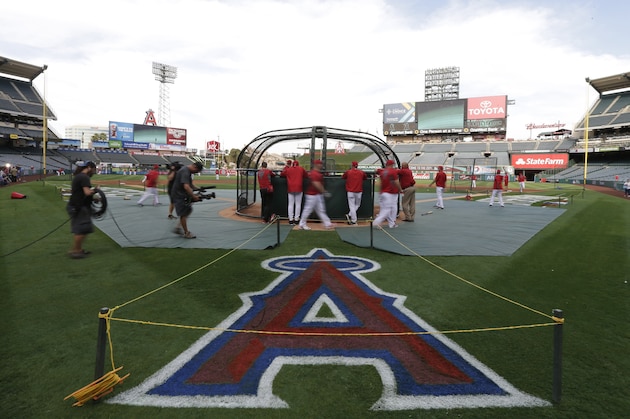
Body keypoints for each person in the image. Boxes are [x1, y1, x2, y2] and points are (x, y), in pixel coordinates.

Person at [66, 161, 98, 259]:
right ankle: (76, 251)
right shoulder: (84, 177)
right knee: (81, 230)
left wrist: (94, 199)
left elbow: (80, 193)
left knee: (84, 229)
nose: (94, 172)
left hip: (77, 205)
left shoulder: (79, 176)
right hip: (78, 207)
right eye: (93, 170)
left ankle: (78, 249)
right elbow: (87, 192)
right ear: (89, 167)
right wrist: (96, 190)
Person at [170, 161, 203, 238]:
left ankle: (178, 228)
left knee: (188, 210)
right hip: (178, 195)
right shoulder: (185, 171)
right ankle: (186, 233)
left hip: (181, 194)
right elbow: (186, 187)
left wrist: (199, 188)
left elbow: (190, 185)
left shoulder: (187, 172)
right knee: (184, 213)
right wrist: (194, 196)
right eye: (196, 171)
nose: (195, 173)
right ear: (194, 167)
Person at [298, 159, 333, 230]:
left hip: (317, 194)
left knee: (321, 210)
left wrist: (323, 191)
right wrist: (324, 192)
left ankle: (327, 224)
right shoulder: (314, 173)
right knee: (308, 210)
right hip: (312, 195)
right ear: (317, 165)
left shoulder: (316, 173)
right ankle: (302, 224)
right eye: (320, 164)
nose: (321, 165)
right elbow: (316, 184)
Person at [372, 159, 402, 229]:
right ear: (392, 165)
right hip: (390, 193)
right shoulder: (393, 171)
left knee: (385, 209)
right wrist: (400, 190)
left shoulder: (382, 172)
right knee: (388, 209)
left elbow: (376, 170)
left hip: (383, 192)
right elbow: (396, 182)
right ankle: (376, 222)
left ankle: (391, 224)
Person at [281, 159, 308, 225]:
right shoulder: (301, 169)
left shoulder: (289, 169)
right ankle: (296, 220)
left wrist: (287, 167)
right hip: (299, 187)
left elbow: (282, 174)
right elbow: (306, 175)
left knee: (290, 204)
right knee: (298, 204)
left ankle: (290, 220)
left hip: (290, 188)